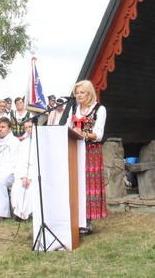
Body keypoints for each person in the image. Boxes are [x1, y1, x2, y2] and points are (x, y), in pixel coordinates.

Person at [67, 79, 108, 234]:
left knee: (88, 185)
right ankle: (75, 218)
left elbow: (98, 134)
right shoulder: (73, 108)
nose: (79, 95)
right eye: (77, 93)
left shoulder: (99, 109)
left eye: (82, 92)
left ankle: (87, 221)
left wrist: (83, 134)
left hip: (91, 151)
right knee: (75, 183)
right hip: (74, 149)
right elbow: (68, 127)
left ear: (89, 93)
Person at [11, 120, 35, 220]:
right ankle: (19, 213)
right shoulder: (23, 144)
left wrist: (30, 177)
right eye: (27, 128)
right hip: (25, 172)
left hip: (35, 173)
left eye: (31, 127)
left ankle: (31, 213)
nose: (29, 130)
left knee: (32, 186)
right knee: (18, 185)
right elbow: (21, 162)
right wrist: (23, 176)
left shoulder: (42, 142)